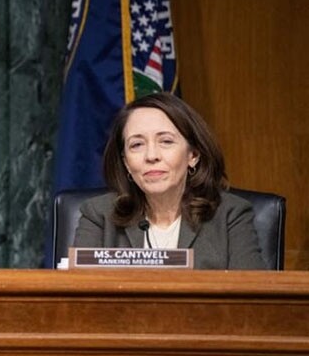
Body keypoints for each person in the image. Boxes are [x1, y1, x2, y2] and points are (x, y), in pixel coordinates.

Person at [72, 92, 267, 269]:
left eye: (166, 141)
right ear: (126, 163)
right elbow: (77, 299)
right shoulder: (98, 214)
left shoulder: (230, 216)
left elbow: (252, 301)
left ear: (193, 155)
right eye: (137, 144)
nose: (151, 155)